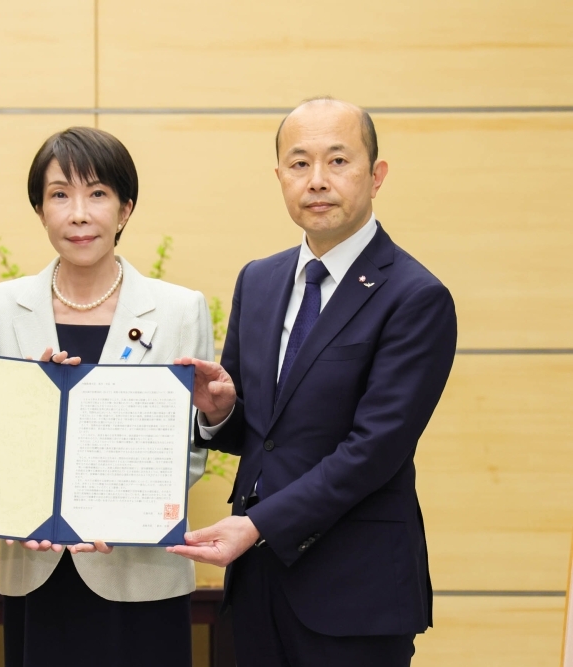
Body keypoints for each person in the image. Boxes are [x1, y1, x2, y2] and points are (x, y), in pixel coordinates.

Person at [168, 97, 457, 666]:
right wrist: (222, 411)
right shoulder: (260, 279)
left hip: (356, 591)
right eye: (299, 164)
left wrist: (256, 526)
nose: (317, 181)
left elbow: (373, 451)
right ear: (279, 177)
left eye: (338, 161)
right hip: (257, 587)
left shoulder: (416, 297)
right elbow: (264, 432)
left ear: (376, 176)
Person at [0, 127, 214, 666]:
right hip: (38, 571)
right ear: (40, 210)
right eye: (60, 195)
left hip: (143, 574)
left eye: (97, 193)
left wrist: (122, 509)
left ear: (126, 208)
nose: (78, 213)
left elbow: (191, 448)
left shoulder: (178, 310)